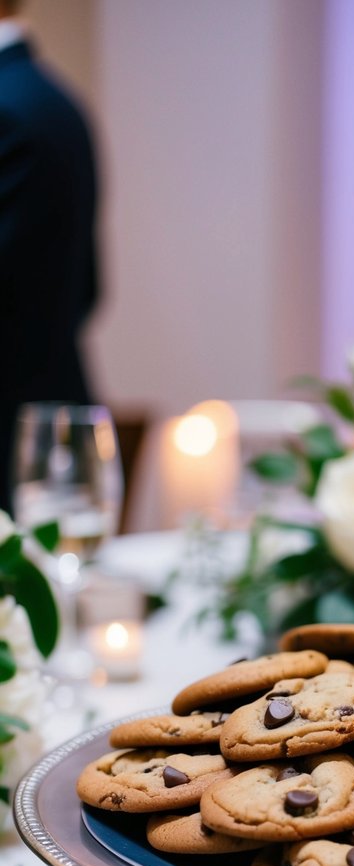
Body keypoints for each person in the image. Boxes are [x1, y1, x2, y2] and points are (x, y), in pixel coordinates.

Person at [0, 0, 100, 512]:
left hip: (14, 440)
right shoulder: (55, 101)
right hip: (51, 414)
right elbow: (89, 289)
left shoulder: (8, 109)